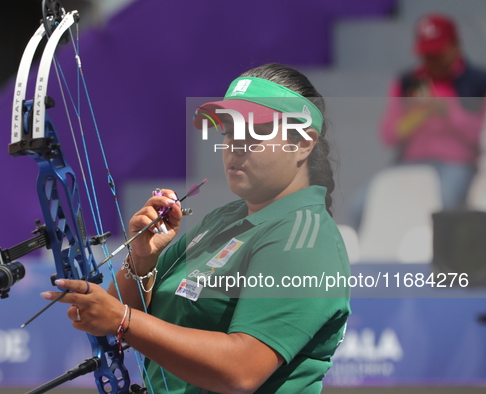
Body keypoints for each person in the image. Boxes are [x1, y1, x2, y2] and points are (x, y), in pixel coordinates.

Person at [41, 63, 351, 393]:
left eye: (256, 131)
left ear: (303, 143)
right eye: (229, 131)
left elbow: (241, 371)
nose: (234, 144)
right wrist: (141, 260)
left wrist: (122, 320)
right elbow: (109, 321)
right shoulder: (224, 219)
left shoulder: (305, 239)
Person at [380, 13, 486, 209]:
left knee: (439, 203)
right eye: (427, 55)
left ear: (455, 47)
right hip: (412, 164)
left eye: (438, 54)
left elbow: (479, 136)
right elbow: (389, 135)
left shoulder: (477, 82)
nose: (432, 61)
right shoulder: (409, 82)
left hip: (457, 165)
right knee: (364, 205)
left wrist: (448, 112)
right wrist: (417, 115)